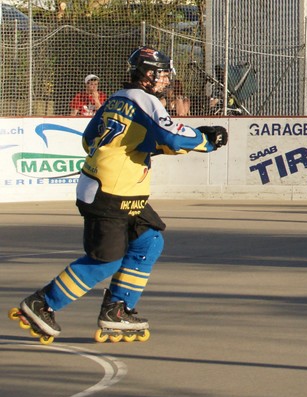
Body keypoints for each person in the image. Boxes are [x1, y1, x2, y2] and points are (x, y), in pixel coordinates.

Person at [9, 47, 228, 344]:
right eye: (163, 73)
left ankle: (118, 309)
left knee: (149, 241)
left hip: (121, 191)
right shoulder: (146, 100)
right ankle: (42, 304)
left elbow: (90, 139)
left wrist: (138, 149)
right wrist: (207, 139)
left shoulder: (117, 98)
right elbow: (173, 136)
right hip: (110, 193)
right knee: (106, 260)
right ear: (148, 74)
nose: (166, 79)